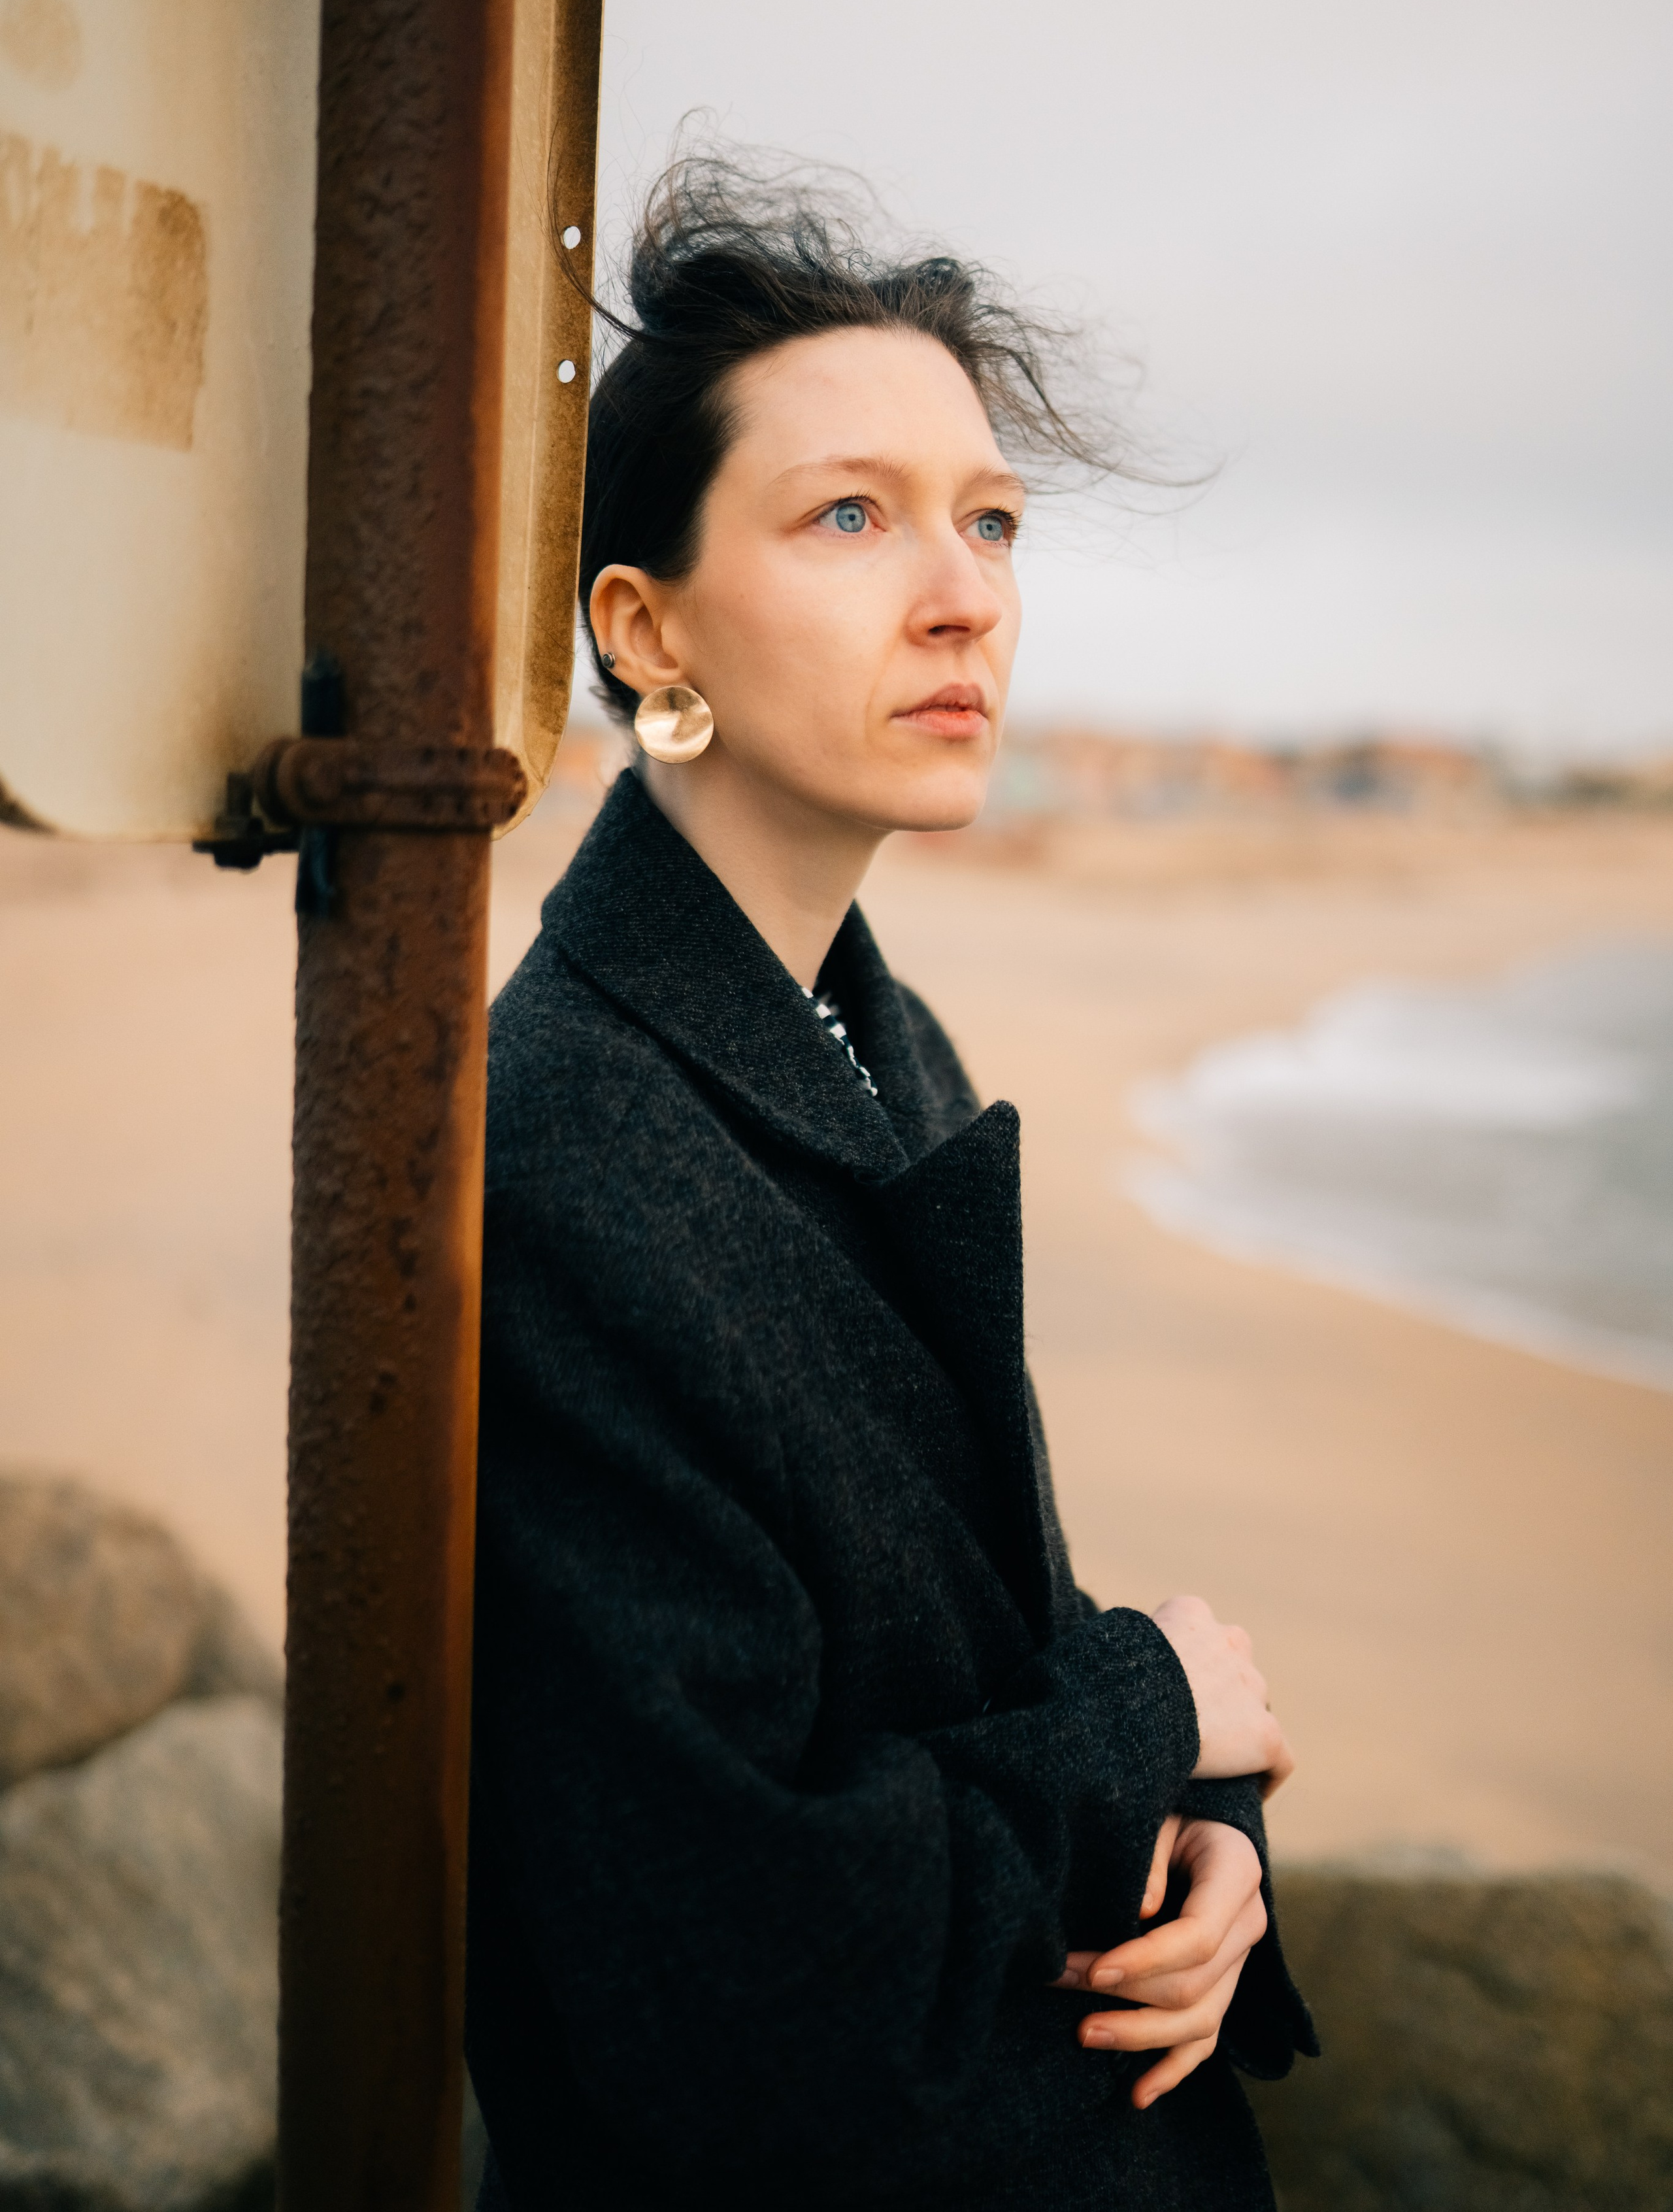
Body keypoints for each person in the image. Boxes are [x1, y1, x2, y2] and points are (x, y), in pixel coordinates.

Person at [466, 156, 1316, 2210]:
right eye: (852, 514)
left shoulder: (869, 1030)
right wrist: (1153, 1707)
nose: (966, 594)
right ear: (641, 625)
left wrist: (1203, 1848)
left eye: (989, 520)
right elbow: (726, 1964)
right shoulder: (565, 1144)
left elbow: (945, 1657)